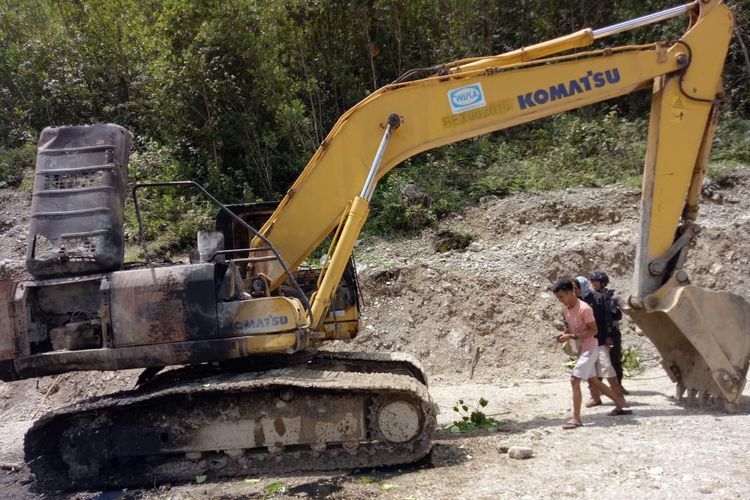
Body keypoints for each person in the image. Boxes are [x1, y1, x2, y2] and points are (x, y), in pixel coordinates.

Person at [552, 277, 630, 430]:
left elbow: (593, 330)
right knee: (594, 381)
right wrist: (564, 335)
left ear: (569, 292)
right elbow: (570, 328)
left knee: (575, 380)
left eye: (561, 297)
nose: (560, 300)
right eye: (558, 298)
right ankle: (620, 403)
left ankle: (576, 418)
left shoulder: (584, 308)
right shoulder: (566, 308)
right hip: (582, 349)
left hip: (590, 348)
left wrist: (573, 336)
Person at [572, 276, 626, 406]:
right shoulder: (575, 302)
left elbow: (606, 317)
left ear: (581, 287)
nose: (573, 291)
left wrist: (608, 336)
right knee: (591, 372)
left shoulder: (597, 298)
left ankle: (620, 399)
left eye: (575, 288)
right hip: (585, 342)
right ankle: (595, 398)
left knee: (608, 368)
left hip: (600, 339)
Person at [590, 271, 627, 393]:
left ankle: (618, 386)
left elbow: (625, 308)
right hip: (598, 333)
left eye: (597, 282)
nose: (594, 284)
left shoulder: (613, 296)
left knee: (615, 360)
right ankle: (598, 388)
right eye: (593, 282)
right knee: (597, 361)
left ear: (603, 283)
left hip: (613, 332)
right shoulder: (592, 297)